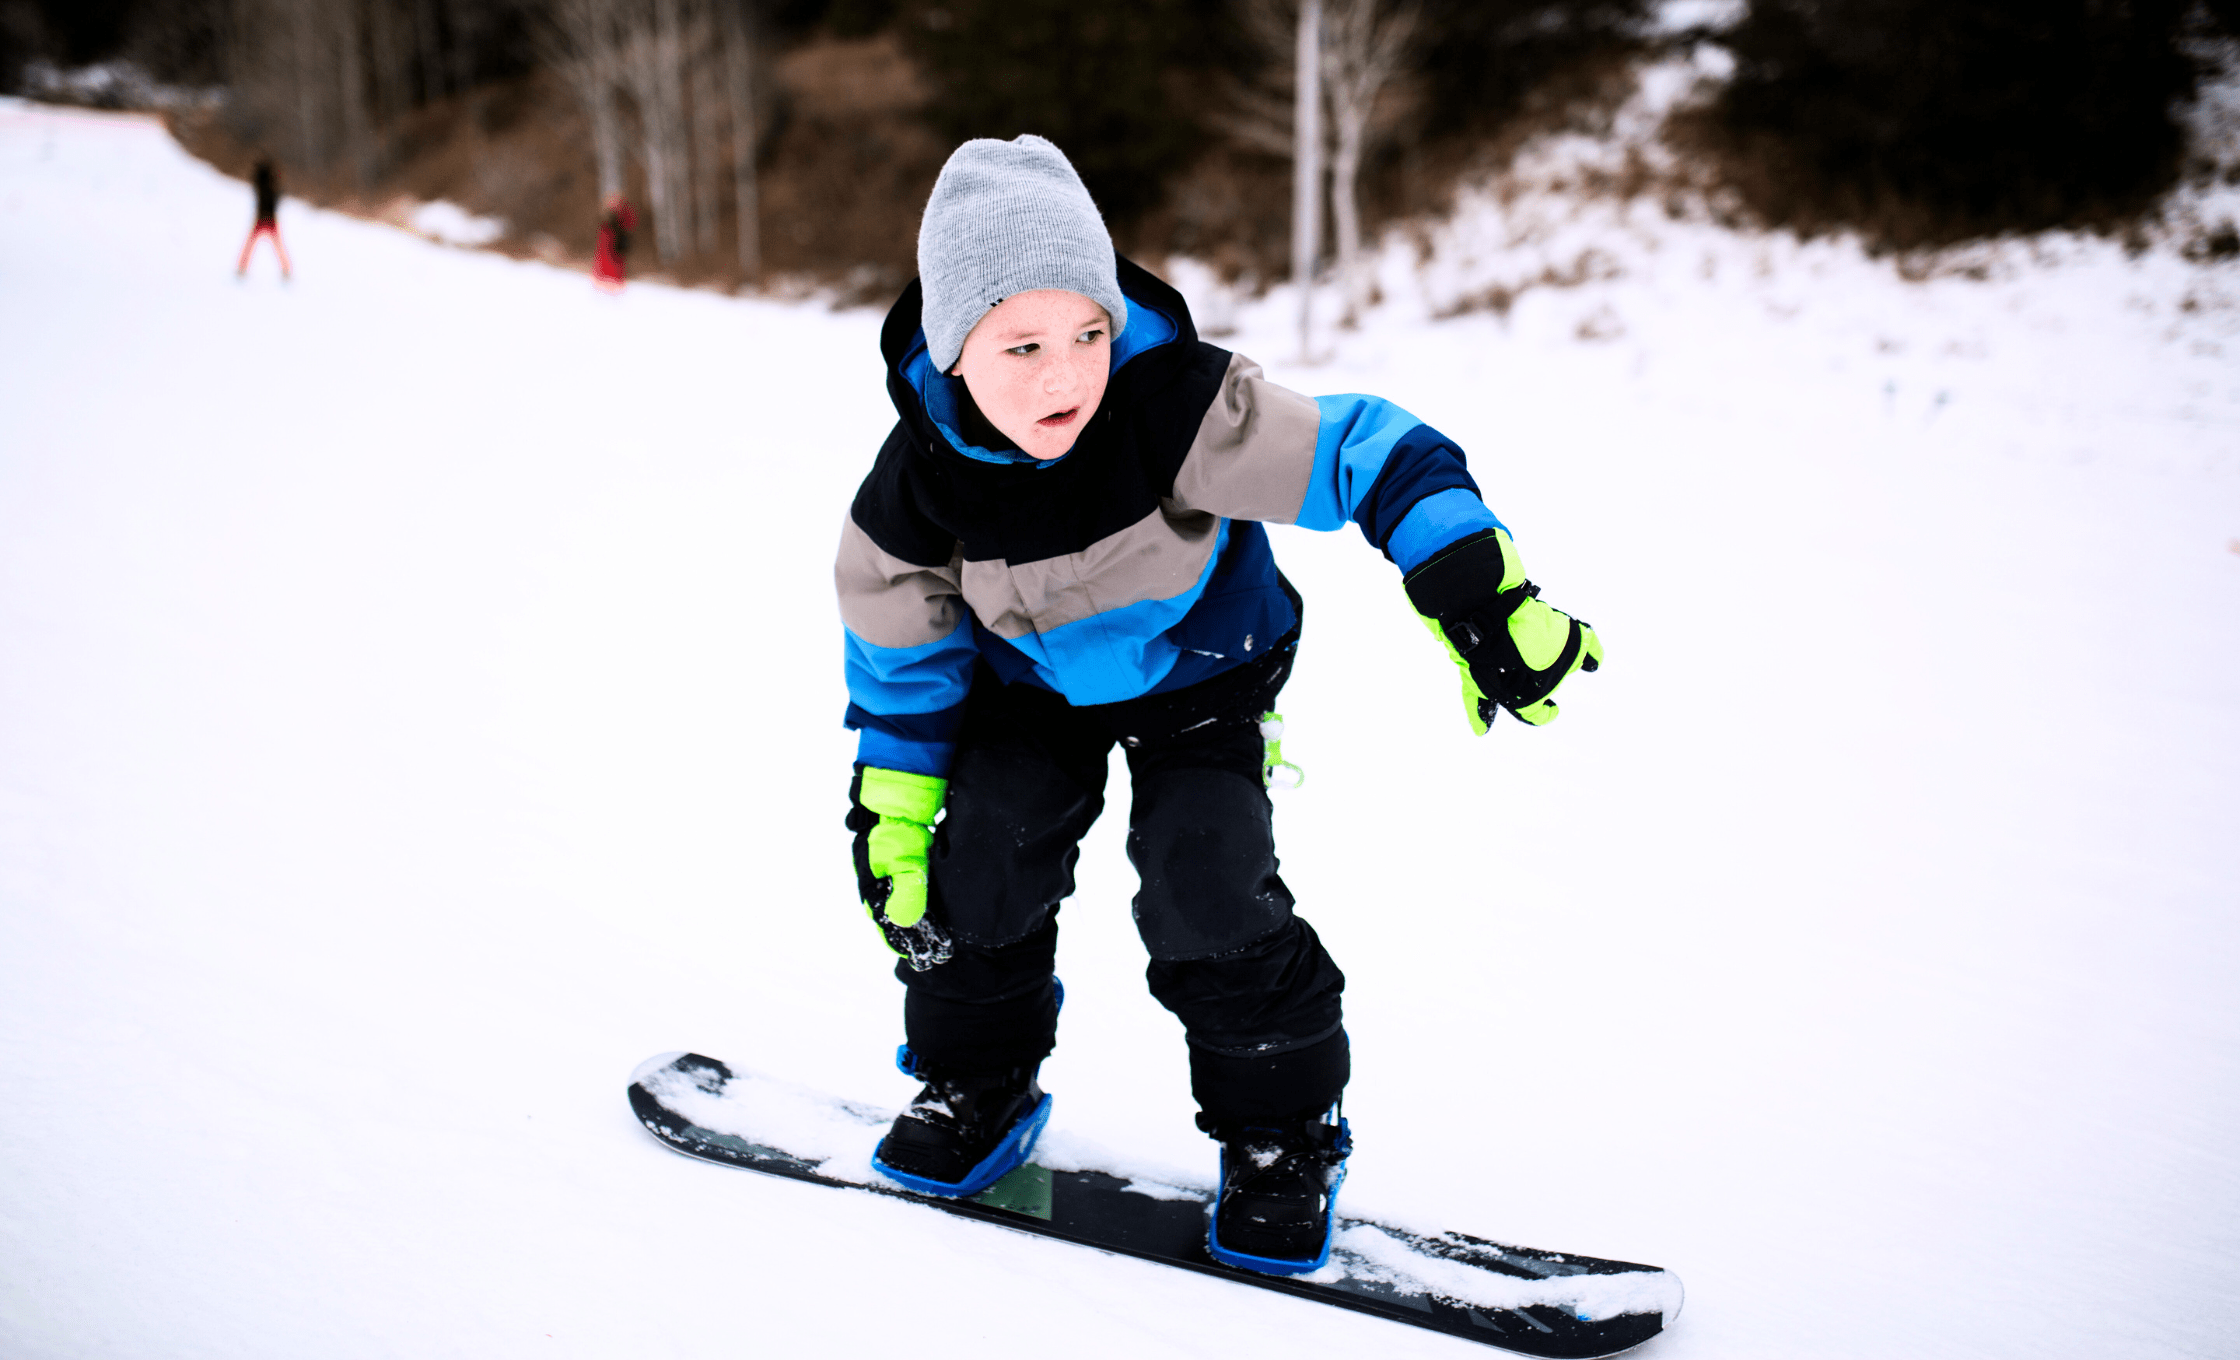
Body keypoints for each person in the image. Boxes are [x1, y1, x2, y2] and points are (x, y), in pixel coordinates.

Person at [836, 135, 1602, 1277]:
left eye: (1088, 333)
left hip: (1200, 678)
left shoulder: (1177, 411)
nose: (1066, 374)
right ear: (953, 349)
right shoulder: (914, 490)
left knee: (1204, 882)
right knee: (978, 865)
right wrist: (892, 810)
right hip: (1033, 694)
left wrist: (1468, 578)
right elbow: (902, 665)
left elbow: (1368, 449)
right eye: (1023, 345)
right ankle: (977, 1084)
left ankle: (1280, 1137)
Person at [235, 159, 291, 280]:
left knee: (251, 245)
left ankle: (242, 268)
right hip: (269, 219)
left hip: (262, 218)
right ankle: (286, 270)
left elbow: (256, 180)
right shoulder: (272, 187)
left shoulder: (260, 187)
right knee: (277, 247)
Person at [593, 192, 635, 293]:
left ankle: (610, 283)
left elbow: (629, 223)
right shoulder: (606, 227)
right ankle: (605, 281)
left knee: (614, 260)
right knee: (609, 259)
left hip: (616, 245)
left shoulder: (622, 216)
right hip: (610, 245)